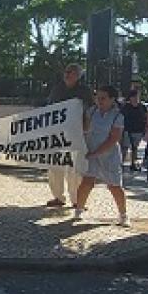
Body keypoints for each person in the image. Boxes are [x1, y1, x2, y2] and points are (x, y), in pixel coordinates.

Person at [74, 85, 129, 226]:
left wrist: (96, 152)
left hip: (109, 155)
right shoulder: (91, 112)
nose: (99, 100)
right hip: (90, 153)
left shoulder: (118, 116)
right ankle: (78, 211)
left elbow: (114, 138)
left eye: (103, 98)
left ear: (112, 99)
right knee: (86, 182)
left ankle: (123, 215)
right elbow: (83, 129)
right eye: (97, 97)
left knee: (114, 186)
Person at [45, 64, 94, 207]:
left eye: (71, 72)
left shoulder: (84, 91)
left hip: (76, 133)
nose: (67, 74)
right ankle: (58, 197)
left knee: (75, 168)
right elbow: (49, 108)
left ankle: (76, 199)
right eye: (66, 71)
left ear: (78, 75)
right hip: (57, 133)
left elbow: (90, 110)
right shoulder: (57, 89)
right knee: (54, 165)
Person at [120, 90, 147, 171]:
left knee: (135, 148)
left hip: (138, 130)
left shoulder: (142, 107)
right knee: (125, 147)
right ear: (130, 97)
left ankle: (133, 163)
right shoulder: (126, 107)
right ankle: (120, 163)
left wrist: (144, 128)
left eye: (137, 96)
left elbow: (145, 117)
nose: (136, 98)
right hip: (127, 129)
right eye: (134, 96)